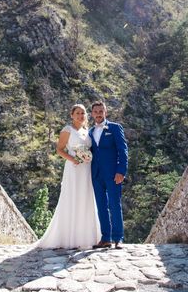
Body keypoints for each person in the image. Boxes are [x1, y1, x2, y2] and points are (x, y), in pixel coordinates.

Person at [35, 104, 101, 249]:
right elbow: (59, 149)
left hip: (87, 169)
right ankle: (68, 238)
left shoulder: (87, 131)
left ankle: (86, 237)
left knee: (86, 198)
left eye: (83, 113)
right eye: (77, 113)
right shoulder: (67, 130)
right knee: (73, 197)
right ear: (72, 115)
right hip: (74, 168)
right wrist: (73, 159)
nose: (80, 115)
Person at [89, 100, 128, 249]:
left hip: (113, 174)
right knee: (101, 206)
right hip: (96, 174)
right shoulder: (91, 132)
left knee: (114, 205)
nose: (98, 114)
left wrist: (121, 171)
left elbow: (123, 151)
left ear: (105, 112)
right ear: (92, 114)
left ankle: (118, 238)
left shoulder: (115, 128)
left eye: (101, 111)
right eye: (96, 112)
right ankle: (106, 238)